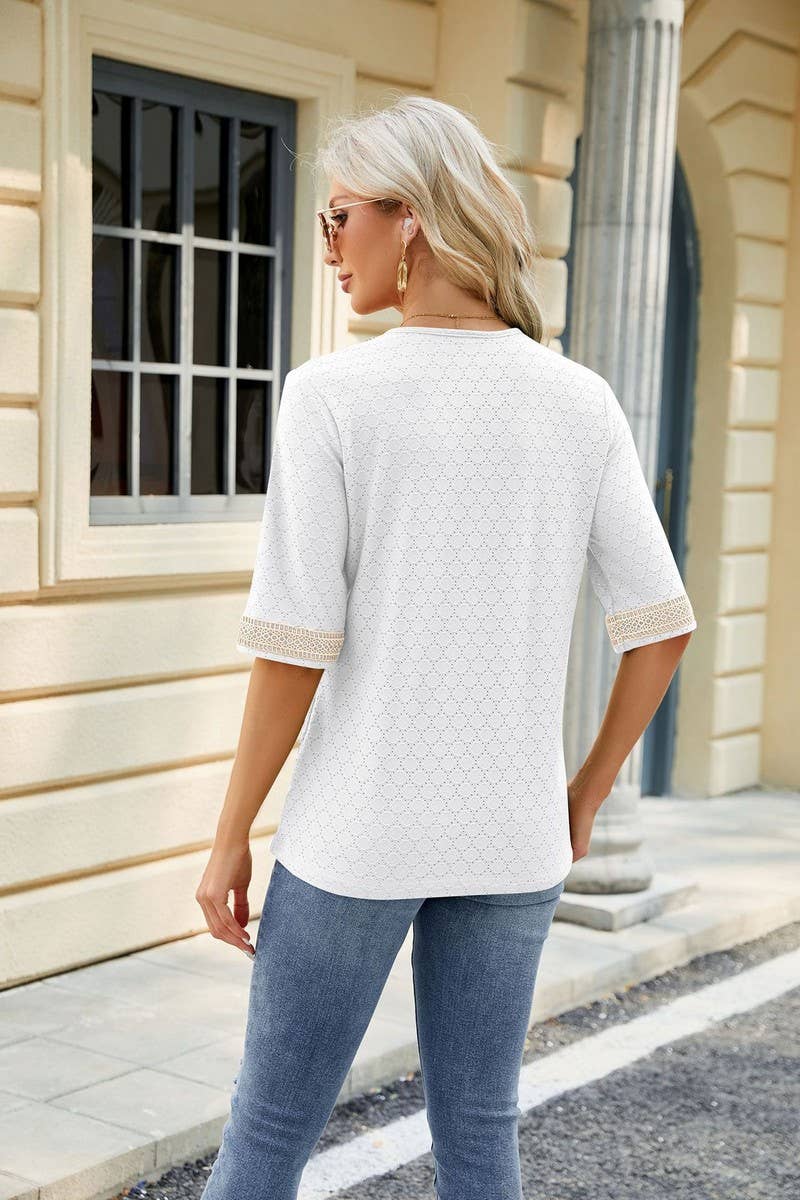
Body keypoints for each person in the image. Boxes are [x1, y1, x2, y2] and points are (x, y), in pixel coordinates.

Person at [196, 95, 697, 1200]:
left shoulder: (332, 396)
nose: (329, 244)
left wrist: (230, 836)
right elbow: (659, 628)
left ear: (409, 218)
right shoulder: (579, 402)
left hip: (356, 831)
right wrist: (578, 798)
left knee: (269, 1131)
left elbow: (294, 646)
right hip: (510, 836)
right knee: (477, 1135)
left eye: (338, 217)